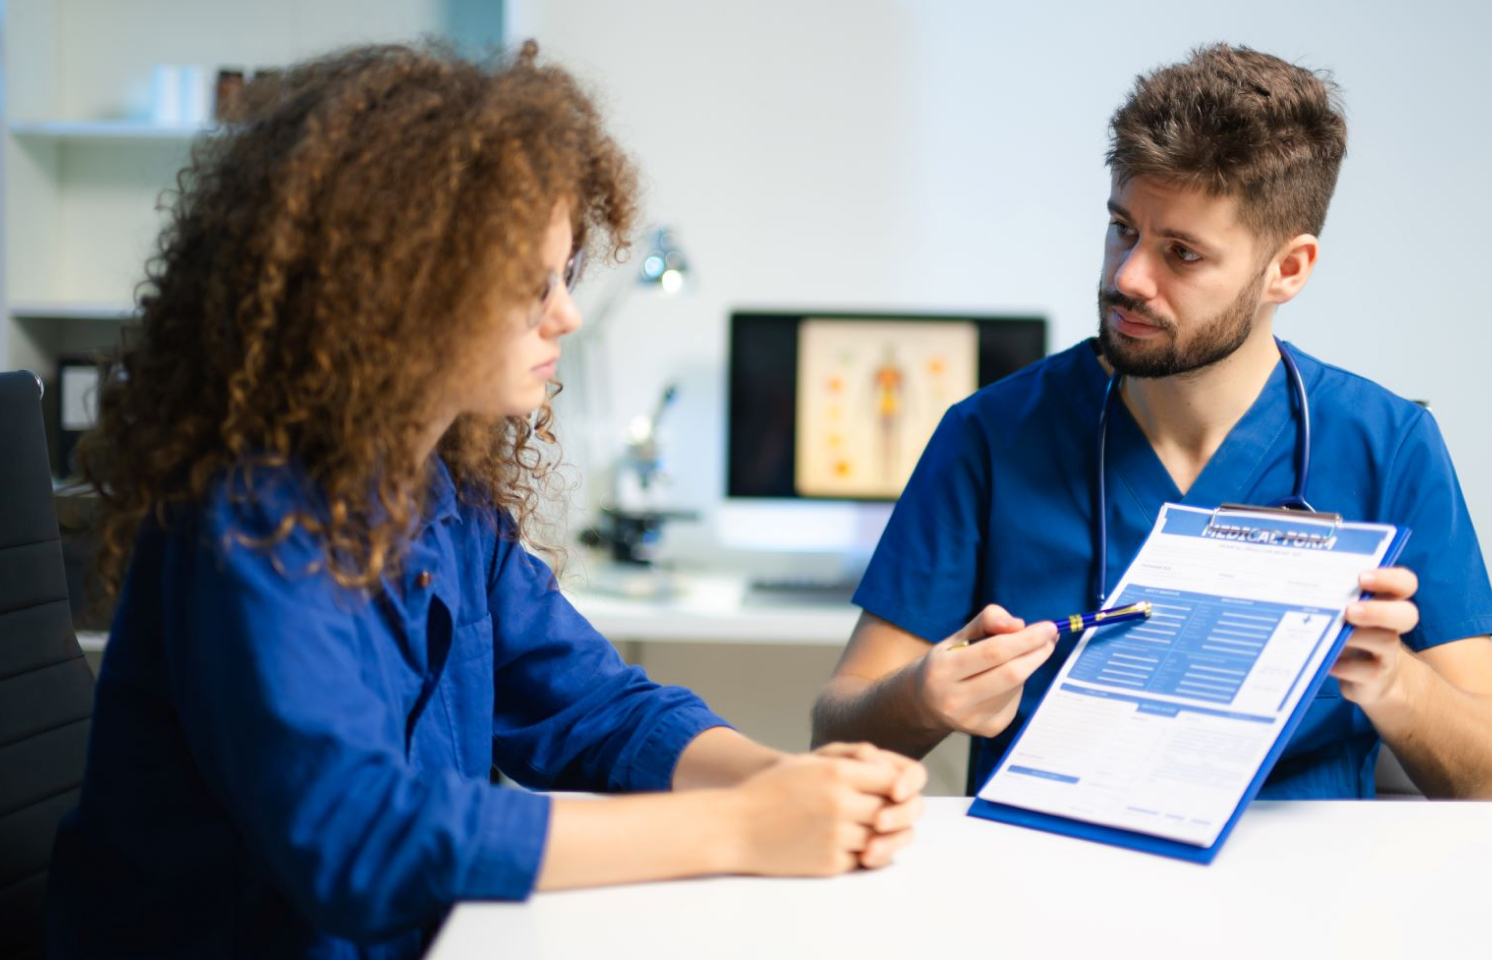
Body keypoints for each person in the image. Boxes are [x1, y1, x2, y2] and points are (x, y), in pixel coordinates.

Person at [48, 42, 924, 959]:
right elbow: (357, 837)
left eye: (566, 276)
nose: (566, 316)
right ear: (395, 294)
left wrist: (781, 782)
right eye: (528, 286)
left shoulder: (448, 501)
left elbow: (592, 706)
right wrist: (742, 829)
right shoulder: (247, 517)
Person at [812, 44, 1492, 801]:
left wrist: (1397, 684)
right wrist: (923, 699)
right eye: (1124, 229)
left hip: (1304, 888)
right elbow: (836, 731)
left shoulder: (1385, 446)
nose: (1127, 278)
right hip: (1045, 874)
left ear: (1288, 269)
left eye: (1181, 254)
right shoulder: (991, 435)